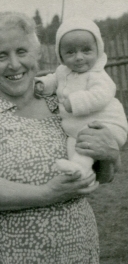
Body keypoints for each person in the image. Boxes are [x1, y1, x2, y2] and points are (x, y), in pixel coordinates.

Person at [0, 12, 120, 264]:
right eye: (1, 56)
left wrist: (110, 155)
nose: (14, 64)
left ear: (36, 54)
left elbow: (102, 175)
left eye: (22, 51)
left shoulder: (63, 103)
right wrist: (46, 194)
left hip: (74, 261)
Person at [35, 18, 127, 179]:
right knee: (74, 142)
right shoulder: (63, 71)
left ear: (97, 50)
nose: (79, 57)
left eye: (86, 50)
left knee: (86, 141)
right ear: (61, 55)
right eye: (70, 52)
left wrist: (76, 101)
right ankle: (78, 170)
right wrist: (43, 84)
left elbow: (102, 93)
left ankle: (81, 168)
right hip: (78, 126)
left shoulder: (97, 74)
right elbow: (54, 79)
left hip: (106, 124)